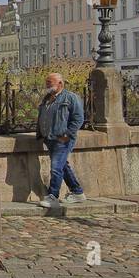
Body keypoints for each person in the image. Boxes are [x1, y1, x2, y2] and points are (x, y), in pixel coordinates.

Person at [36, 72, 86, 206]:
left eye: (50, 83)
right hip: (50, 138)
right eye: (46, 82)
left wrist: (66, 135)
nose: (47, 85)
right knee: (62, 166)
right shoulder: (47, 98)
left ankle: (53, 197)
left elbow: (78, 119)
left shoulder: (70, 98)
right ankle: (77, 192)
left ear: (60, 83)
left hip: (63, 139)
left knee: (56, 167)